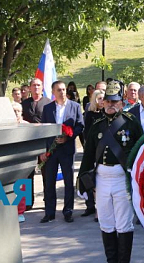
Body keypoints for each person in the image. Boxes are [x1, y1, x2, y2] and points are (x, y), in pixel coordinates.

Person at [77, 81, 143, 263]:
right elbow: (88, 154)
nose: (110, 105)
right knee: (106, 222)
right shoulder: (97, 125)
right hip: (102, 179)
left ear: (121, 102)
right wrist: (82, 180)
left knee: (124, 223)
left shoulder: (131, 122)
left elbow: (141, 150)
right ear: (103, 102)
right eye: (107, 101)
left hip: (122, 178)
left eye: (114, 101)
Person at [40, 80, 84, 224]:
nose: (62, 92)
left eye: (64, 89)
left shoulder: (75, 106)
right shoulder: (47, 108)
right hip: (51, 150)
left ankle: (68, 211)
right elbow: (43, 130)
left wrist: (68, 137)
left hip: (67, 149)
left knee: (68, 181)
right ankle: (49, 213)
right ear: (53, 92)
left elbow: (80, 126)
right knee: (49, 181)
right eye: (59, 90)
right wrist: (43, 151)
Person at [21, 78, 50, 207]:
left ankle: (48, 201)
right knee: (27, 174)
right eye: (33, 85)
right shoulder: (24, 104)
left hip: (45, 143)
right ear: (30, 88)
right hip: (28, 144)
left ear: (42, 87)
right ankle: (28, 202)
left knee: (47, 174)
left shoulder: (48, 103)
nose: (36, 87)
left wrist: (46, 148)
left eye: (38, 85)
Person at [81, 89, 107, 220]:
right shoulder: (90, 114)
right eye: (99, 98)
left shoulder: (108, 114)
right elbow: (86, 133)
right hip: (94, 150)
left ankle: (102, 209)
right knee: (92, 179)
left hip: (106, 151)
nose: (102, 101)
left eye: (103, 98)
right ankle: (92, 206)